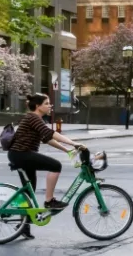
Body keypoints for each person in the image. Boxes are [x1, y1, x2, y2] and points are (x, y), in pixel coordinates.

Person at [7, 93, 85, 239]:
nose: (50, 106)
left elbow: (46, 138)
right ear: (38, 106)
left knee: (29, 191)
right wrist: (74, 143)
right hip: (22, 154)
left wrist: (67, 149)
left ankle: (24, 226)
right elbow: (51, 134)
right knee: (55, 165)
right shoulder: (33, 117)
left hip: (20, 154)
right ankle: (49, 201)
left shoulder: (35, 119)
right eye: (47, 103)